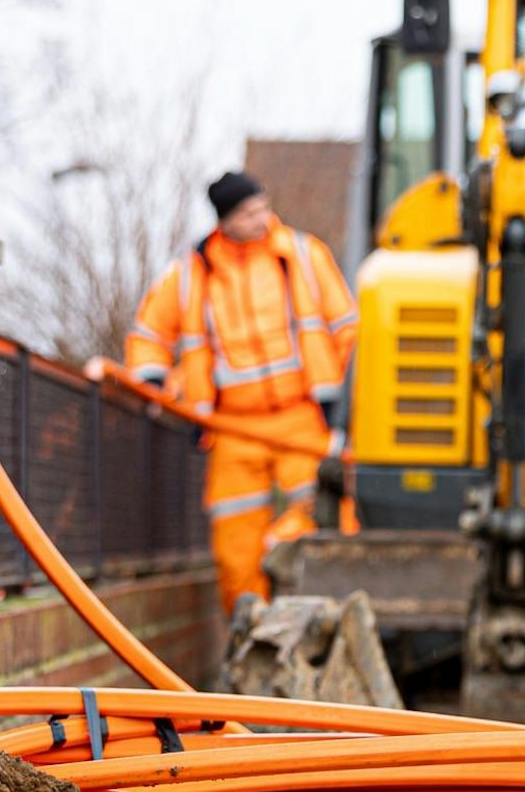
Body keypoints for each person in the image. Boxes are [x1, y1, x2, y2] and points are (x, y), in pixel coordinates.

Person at [126, 171, 358, 612]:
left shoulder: (303, 255)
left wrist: (344, 403)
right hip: (231, 426)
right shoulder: (191, 275)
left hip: (301, 416)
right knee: (235, 546)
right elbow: (148, 335)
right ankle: (250, 627)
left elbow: (348, 328)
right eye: (249, 213)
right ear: (225, 221)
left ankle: (320, 607)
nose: (262, 219)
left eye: (264, 207)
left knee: (330, 516)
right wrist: (155, 384)